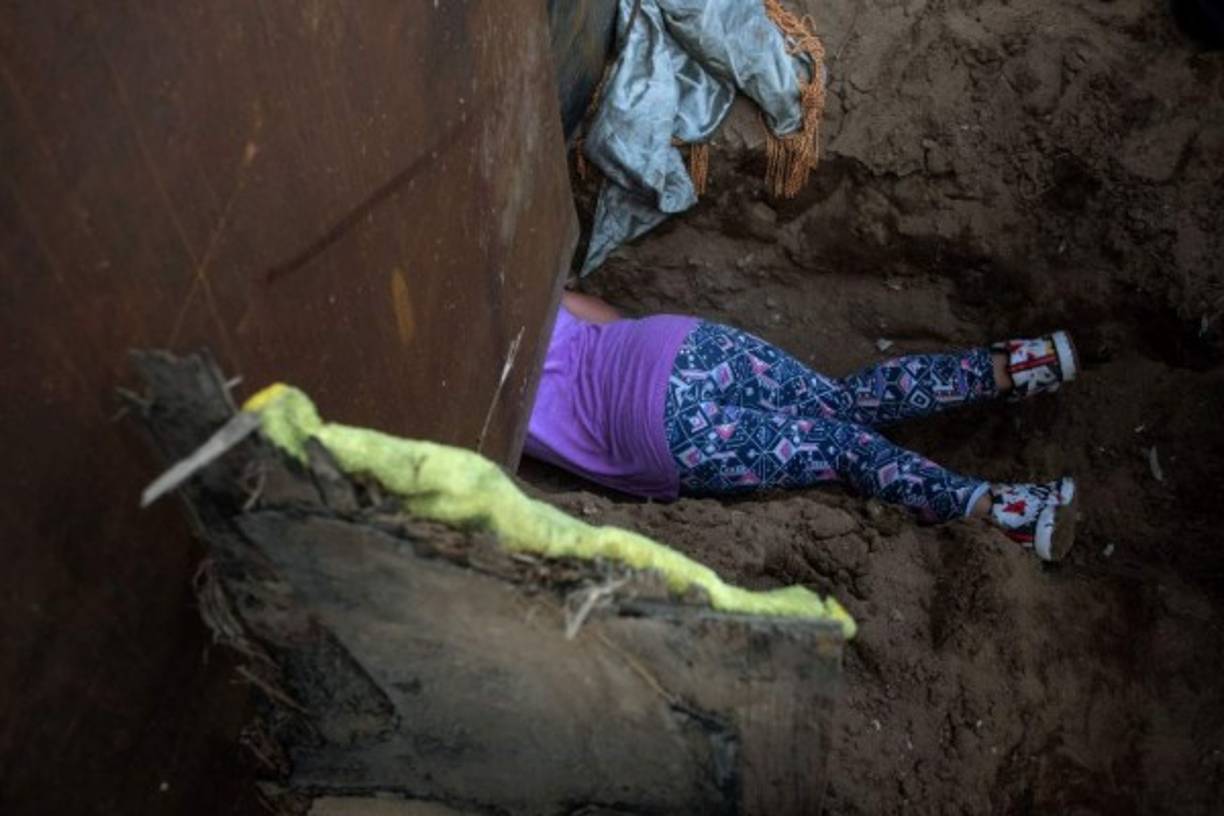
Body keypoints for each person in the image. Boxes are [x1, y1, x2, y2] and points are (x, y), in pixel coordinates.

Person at [525, 292, 1079, 561]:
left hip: (648, 428)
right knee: (842, 405)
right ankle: (1019, 365)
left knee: (840, 448)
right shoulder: (501, 270)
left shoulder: (453, 390)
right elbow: (586, 308)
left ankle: (1003, 513)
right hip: (669, 348)